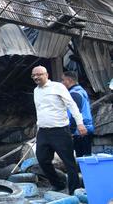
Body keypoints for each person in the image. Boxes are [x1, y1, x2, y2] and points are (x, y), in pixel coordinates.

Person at [32, 66, 86, 195]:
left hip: (60, 131)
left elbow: (71, 104)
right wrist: (38, 128)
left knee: (68, 162)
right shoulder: (36, 91)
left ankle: (74, 190)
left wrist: (80, 123)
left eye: (39, 74)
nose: (36, 77)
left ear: (47, 75)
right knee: (42, 159)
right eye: (33, 75)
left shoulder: (58, 87)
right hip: (43, 132)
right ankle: (58, 184)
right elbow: (39, 110)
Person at [61, 71, 95, 157]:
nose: (62, 83)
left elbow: (75, 113)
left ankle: (85, 171)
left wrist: (71, 130)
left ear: (69, 80)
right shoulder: (80, 90)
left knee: (83, 158)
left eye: (63, 80)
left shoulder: (74, 93)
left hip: (80, 130)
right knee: (86, 157)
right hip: (84, 129)